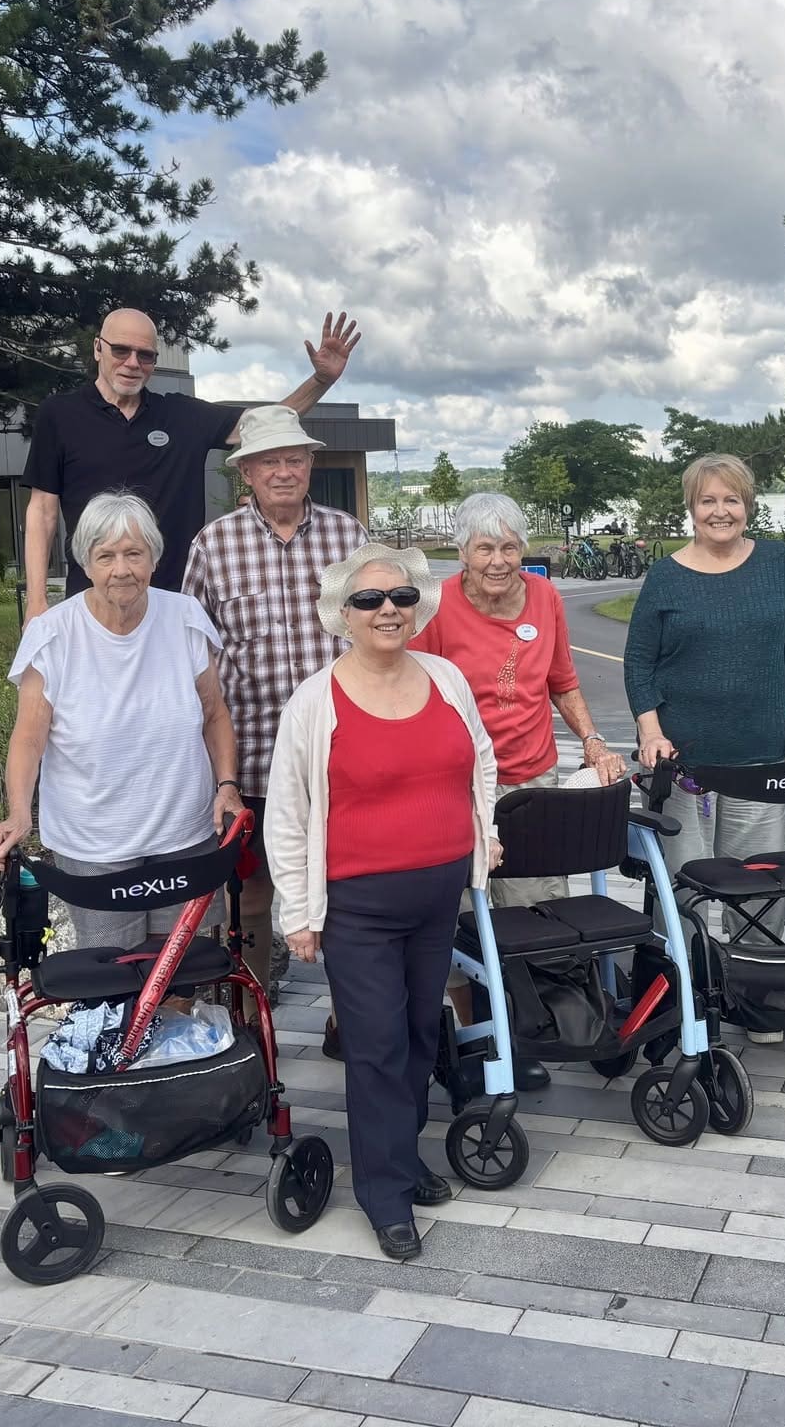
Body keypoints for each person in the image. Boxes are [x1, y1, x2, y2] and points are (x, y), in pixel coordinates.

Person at [266, 545, 500, 1262]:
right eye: (369, 601)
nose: (387, 610)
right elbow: (287, 811)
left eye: (399, 597)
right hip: (358, 904)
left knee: (420, 1039)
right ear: (343, 614)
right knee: (375, 1047)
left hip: (436, 895)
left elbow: (481, 760)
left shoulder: (446, 677)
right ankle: (383, 1194)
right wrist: (298, 913)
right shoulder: (315, 701)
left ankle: (400, 1158)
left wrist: (481, 834)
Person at [411, 492, 626, 1089]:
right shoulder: (437, 607)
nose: (499, 561)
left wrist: (593, 741)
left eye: (509, 546)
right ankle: (469, 1039)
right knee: (456, 914)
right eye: (485, 548)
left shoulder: (547, 597)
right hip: (455, 783)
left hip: (530, 778)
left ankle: (529, 1028)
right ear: (461, 553)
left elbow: (562, 680)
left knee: (534, 908)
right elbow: (417, 693)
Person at [0, 493, 245, 950]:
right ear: (86, 561)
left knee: (181, 973)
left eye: (134, 554)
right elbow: (28, 738)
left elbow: (214, 713)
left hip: (184, 833)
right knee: (113, 978)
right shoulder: (53, 635)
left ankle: (177, 1024)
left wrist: (226, 784)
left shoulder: (183, 618)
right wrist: (19, 813)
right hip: (94, 844)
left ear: (154, 559)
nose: (121, 569)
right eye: (106, 556)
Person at [624, 453, 785, 1043]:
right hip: (684, 766)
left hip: (759, 757)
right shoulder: (667, 576)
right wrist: (650, 732)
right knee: (682, 889)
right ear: (691, 507)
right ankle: (677, 999)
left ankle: (758, 1001)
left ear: (748, 505)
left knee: (759, 884)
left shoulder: (777, 562)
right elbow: (639, 662)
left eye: (731, 499)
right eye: (708, 500)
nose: (720, 511)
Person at [180, 406, 368, 992]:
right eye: (269, 462)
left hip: (340, 750)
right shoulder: (214, 544)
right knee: (251, 893)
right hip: (253, 754)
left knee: (347, 884)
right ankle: (251, 1021)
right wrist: (216, 771)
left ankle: (348, 1019)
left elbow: (383, 630)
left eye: (294, 459)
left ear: (310, 465)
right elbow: (194, 653)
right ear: (247, 473)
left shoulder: (349, 536)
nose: (282, 472)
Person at [22, 309, 359, 614]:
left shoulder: (180, 415)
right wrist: (36, 601)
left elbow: (268, 425)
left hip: (175, 603)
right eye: (121, 350)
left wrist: (321, 381)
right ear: (98, 348)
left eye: (145, 355)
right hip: (94, 603)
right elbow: (42, 511)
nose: (132, 363)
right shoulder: (60, 414)